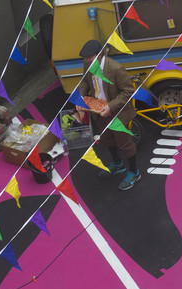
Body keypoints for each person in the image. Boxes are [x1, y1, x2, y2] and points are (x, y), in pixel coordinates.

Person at [77, 39, 140, 191]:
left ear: (99, 55)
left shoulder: (116, 69)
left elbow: (128, 92)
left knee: (124, 143)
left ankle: (134, 172)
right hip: (98, 111)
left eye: (90, 59)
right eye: (85, 59)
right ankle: (117, 164)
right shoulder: (88, 64)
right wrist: (81, 98)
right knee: (107, 139)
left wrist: (110, 107)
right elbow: (85, 82)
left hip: (117, 113)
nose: (87, 62)